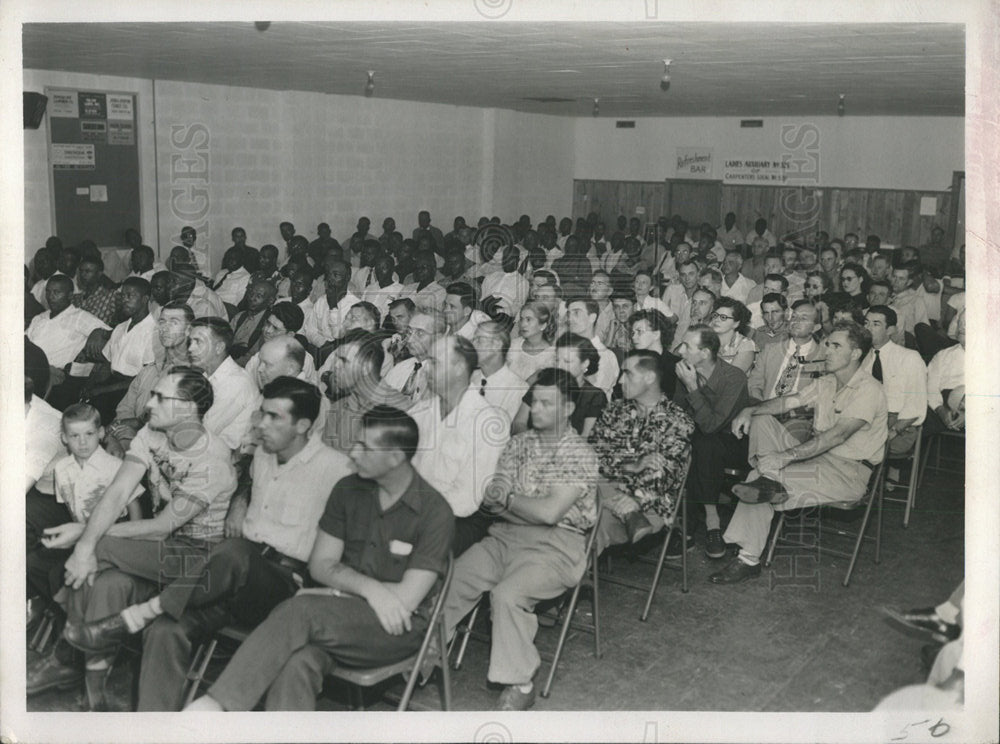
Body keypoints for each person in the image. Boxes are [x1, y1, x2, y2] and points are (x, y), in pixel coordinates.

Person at [72, 378, 352, 710]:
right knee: (165, 630)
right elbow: (248, 481)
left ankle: (143, 611)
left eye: (274, 417)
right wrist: (240, 501)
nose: (261, 423)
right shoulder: (263, 453)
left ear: (303, 425)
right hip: (228, 578)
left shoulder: (337, 469)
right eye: (261, 413)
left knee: (235, 552)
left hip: (281, 583)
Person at [184, 406, 454, 712]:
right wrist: (369, 589)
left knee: (301, 609)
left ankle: (215, 708)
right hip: (336, 616)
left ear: (395, 458)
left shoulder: (434, 512)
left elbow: (404, 601)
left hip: (395, 630)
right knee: (298, 662)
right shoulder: (348, 490)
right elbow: (321, 565)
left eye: (365, 447)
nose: (353, 452)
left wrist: (333, 591)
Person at [39, 367, 236, 709]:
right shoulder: (150, 434)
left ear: (188, 409)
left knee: (96, 546)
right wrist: (86, 541)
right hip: (158, 550)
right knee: (105, 582)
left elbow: (161, 526)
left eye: (161, 397)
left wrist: (83, 535)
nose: (149, 404)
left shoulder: (212, 460)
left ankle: (63, 656)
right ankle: (95, 696)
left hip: (197, 559)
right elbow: (116, 493)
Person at [443, 368, 599, 711]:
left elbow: (549, 514)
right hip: (504, 537)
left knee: (507, 595)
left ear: (569, 409)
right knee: (452, 578)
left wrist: (511, 503)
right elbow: (490, 500)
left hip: (556, 548)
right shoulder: (518, 443)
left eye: (547, 403)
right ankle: (424, 652)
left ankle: (521, 682)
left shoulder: (578, 453)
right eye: (534, 401)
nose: (536, 409)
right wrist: (515, 507)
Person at [710, 321, 887, 584]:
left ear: (855, 353)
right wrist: (750, 410)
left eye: (836, 346)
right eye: (827, 344)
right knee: (762, 420)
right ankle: (768, 476)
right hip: (818, 459)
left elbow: (836, 436)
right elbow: (787, 402)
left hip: (848, 472)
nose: (827, 350)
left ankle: (748, 559)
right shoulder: (827, 382)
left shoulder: (869, 390)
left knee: (756, 480)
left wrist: (784, 457)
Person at [409, 335, 509, 554]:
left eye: (435, 362)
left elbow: (466, 500)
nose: (426, 369)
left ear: (458, 368)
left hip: (459, 519)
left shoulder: (487, 422)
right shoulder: (421, 412)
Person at [589, 351, 695, 544]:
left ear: (649, 378)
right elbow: (592, 456)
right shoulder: (614, 410)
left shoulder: (677, 421)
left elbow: (664, 475)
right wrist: (632, 465)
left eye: (628, 374)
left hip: (648, 505)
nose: (620, 380)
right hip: (602, 489)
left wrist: (635, 499)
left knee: (588, 525)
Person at [673, 325, 751, 559]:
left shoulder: (733, 377)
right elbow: (678, 414)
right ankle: (706, 525)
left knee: (704, 444)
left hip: (733, 443)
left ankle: (701, 523)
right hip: (699, 443)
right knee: (695, 446)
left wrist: (692, 388)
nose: (680, 351)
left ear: (705, 353)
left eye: (687, 346)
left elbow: (712, 425)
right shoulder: (687, 370)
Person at [104, 301, 193, 456]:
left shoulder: (192, 377)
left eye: (174, 322)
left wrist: (135, 433)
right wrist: (121, 437)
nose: (165, 328)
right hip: (128, 443)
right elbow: (124, 409)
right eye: (162, 321)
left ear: (188, 330)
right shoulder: (149, 370)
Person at [84, 277, 156, 424]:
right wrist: (90, 384)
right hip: (112, 382)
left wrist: (101, 390)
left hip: (132, 389)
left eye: (130, 296)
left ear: (144, 299)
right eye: (122, 295)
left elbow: (144, 379)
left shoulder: (153, 332)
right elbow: (106, 363)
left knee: (96, 412)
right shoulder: (120, 327)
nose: (124, 299)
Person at [26, 274, 110, 391]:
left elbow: (111, 333)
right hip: (27, 366)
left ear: (70, 295)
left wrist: (98, 331)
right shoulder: (40, 317)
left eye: (57, 292)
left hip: (50, 372)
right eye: (48, 292)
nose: (51, 297)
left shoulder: (79, 316)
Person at [862, 306, 927, 456]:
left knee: (859, 445)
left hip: (899, 427)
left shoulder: (909, 357)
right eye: (866, 323)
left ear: (891, 330)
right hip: (866, 420)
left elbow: (915, 405)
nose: (868, 328)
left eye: (876, 324)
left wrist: (893, 431)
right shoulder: (861, 357)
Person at [186, 317, 259, 451]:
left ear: (219, 347)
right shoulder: (206, 375)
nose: (190, 348)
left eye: (198, 342)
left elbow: (202, 431)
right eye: (190, 342)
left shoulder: (236, 383)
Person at [748, 300, 825, 406]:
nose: (795, 321)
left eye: (803, 318)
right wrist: (762, 405)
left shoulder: (823, 358)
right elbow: (754, 383)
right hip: (764, 409)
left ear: (816, 327)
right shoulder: (770, 351)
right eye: (793, 317)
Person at [470, 321, 530, 424]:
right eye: (473, 339)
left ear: (497, 345)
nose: (472, 345)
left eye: (479, 340)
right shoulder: (468, 379)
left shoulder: (518, 389)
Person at [243, 302, 317, 384]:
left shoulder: (304, 361)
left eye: (275, 328)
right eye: (268, 323)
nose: (267, 330)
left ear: (290, 335)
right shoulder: (258, 356)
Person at [382, 308, 446, 402]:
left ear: (439, 337)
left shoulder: (445, 375)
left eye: (420, 333)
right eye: (409, 332)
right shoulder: (401, 368)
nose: (410, 339)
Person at [301, 257, 361, 351]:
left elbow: (342, 336)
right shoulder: (321, 301)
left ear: (348, 277)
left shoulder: (356, 306)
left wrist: (333, 306)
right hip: (319, 349)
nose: (330, 279)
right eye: (329, 274)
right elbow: (309, 330)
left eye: (336, 275)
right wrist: (323, 344)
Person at [565, 297, 619, 398]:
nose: (569, 319)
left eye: (576, 313)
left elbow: (593, 396)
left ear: (592, 318)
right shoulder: (566, 351)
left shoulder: (605, 356)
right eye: (569, 314)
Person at [924, 310, 965, 435]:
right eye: (961, 322)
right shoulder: (943, 355)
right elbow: (930, 387)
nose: (962, 327)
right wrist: (940, 410)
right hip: (941, 407)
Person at [507, 300, 557, 383]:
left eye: (528, 319)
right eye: (521, 319)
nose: (523, 324)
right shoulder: (513, 345)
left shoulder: (552, 355)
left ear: (543, 325)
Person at [229, 279, 278, 363]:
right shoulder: (240, 316)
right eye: (251, 294)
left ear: (270, 301)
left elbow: (257, 355)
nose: (252, 298)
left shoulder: (269, 324)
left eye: (259, 296)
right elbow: (226, 339)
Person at [888, 260, 930, 346]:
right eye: (894, 277)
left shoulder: (916, 300)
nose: (896, 281)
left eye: (901, 279)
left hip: (906, 344)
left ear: (909, 282)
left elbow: (923, 329)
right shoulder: (884, 296)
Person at [710, 296, 757, 373]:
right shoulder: (705, 340)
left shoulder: (745, 345)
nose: (716, 320)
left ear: (736, 323)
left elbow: (730, 379)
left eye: (723, 317)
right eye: (715, 315)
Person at [71, 255, 118, 326]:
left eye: (87, 271)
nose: (83, 275)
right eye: (81, 271)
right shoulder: (75, 298)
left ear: (99, 274)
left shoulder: (111, 297)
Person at [212, 247, 252, 311]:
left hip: (227, 309)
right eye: (228, 258)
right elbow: (213, 292)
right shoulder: (221, 273)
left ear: (241, 260)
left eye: (234, 259)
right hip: (212, 304)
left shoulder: (246, 277)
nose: (230, 261)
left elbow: (238, 303)